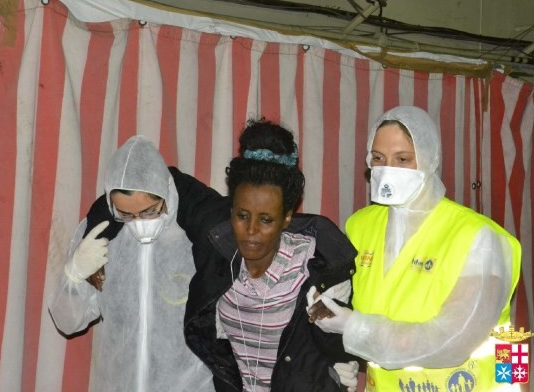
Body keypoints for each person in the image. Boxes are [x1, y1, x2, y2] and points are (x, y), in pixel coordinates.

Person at [311, 106, 522, 391]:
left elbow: (452, 340)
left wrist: (354, 329)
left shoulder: (478, 237)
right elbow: (356, 304)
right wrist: (337, 347)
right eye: (378, 158)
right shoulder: (359, 226)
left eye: (403, 159)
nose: (388, 169)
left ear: (429, 159)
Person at [168, 119, 359, 392]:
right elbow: (153, 178)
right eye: (242, 215)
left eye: (266, 219)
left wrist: (342, 350)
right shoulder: (219, 248)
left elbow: (342, 342)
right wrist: (102, 232)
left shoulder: (318, 267)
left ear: (287, 218)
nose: (251, 230)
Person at [48, 136, 213, 392]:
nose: (139, 221)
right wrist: (74, 274)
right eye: (125, 214)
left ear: (166, 193)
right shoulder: (100, 236)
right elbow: (67, 323)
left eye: (149, 210)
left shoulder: (196, 234)